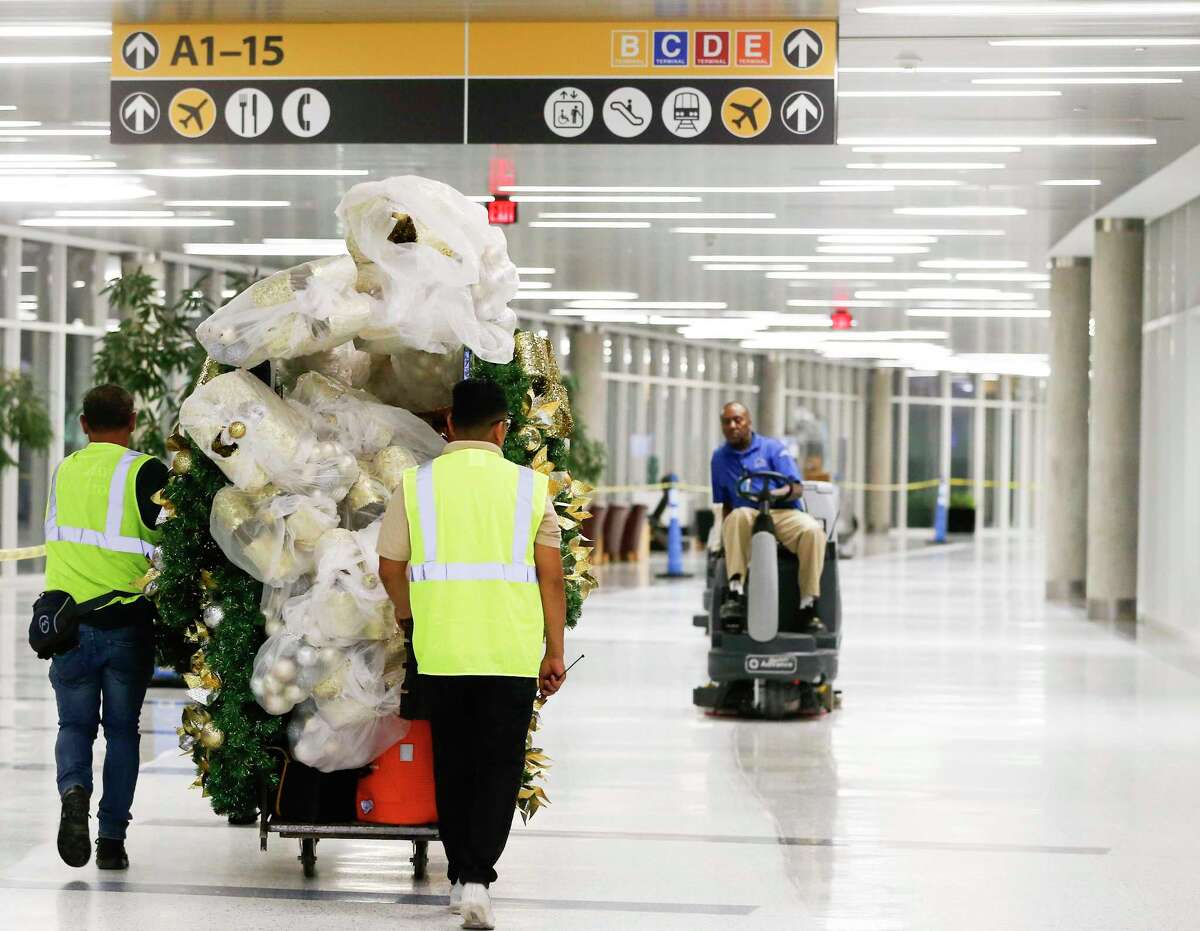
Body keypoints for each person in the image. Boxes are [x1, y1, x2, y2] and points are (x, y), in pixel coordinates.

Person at [377, 378, 567, 931]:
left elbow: (390, 565)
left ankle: (461, 876)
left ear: (450, 426)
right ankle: (480, 876)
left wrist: (409, 615)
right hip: (509, 650)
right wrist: (554, 652)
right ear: (503, 428)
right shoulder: (532, 489)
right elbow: (550, 577)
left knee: (454, 761)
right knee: (500, 765)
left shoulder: (415, 486)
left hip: (441, 649)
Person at [43, 384, 167, 870]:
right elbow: (170, 534)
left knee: (73, 724)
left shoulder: (64, 470)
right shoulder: (146, 472)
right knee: (121, 732)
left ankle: (73, 791)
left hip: (67, 624)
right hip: (126, 626)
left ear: (82, 423)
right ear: (132, 421)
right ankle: (111, 841)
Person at [710, 401, 827, 621]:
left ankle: (808, 602)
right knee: (736, 517)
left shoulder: (773, 449)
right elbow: (724, 504)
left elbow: (796, 488)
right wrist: (721, 541)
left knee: (812, 531)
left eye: (738, 420)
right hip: (748, 514)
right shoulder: (719, 459)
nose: (733, 426)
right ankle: (735, 592)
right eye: (727, 422)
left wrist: (774, 494)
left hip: (781, 513)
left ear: (748, 422)